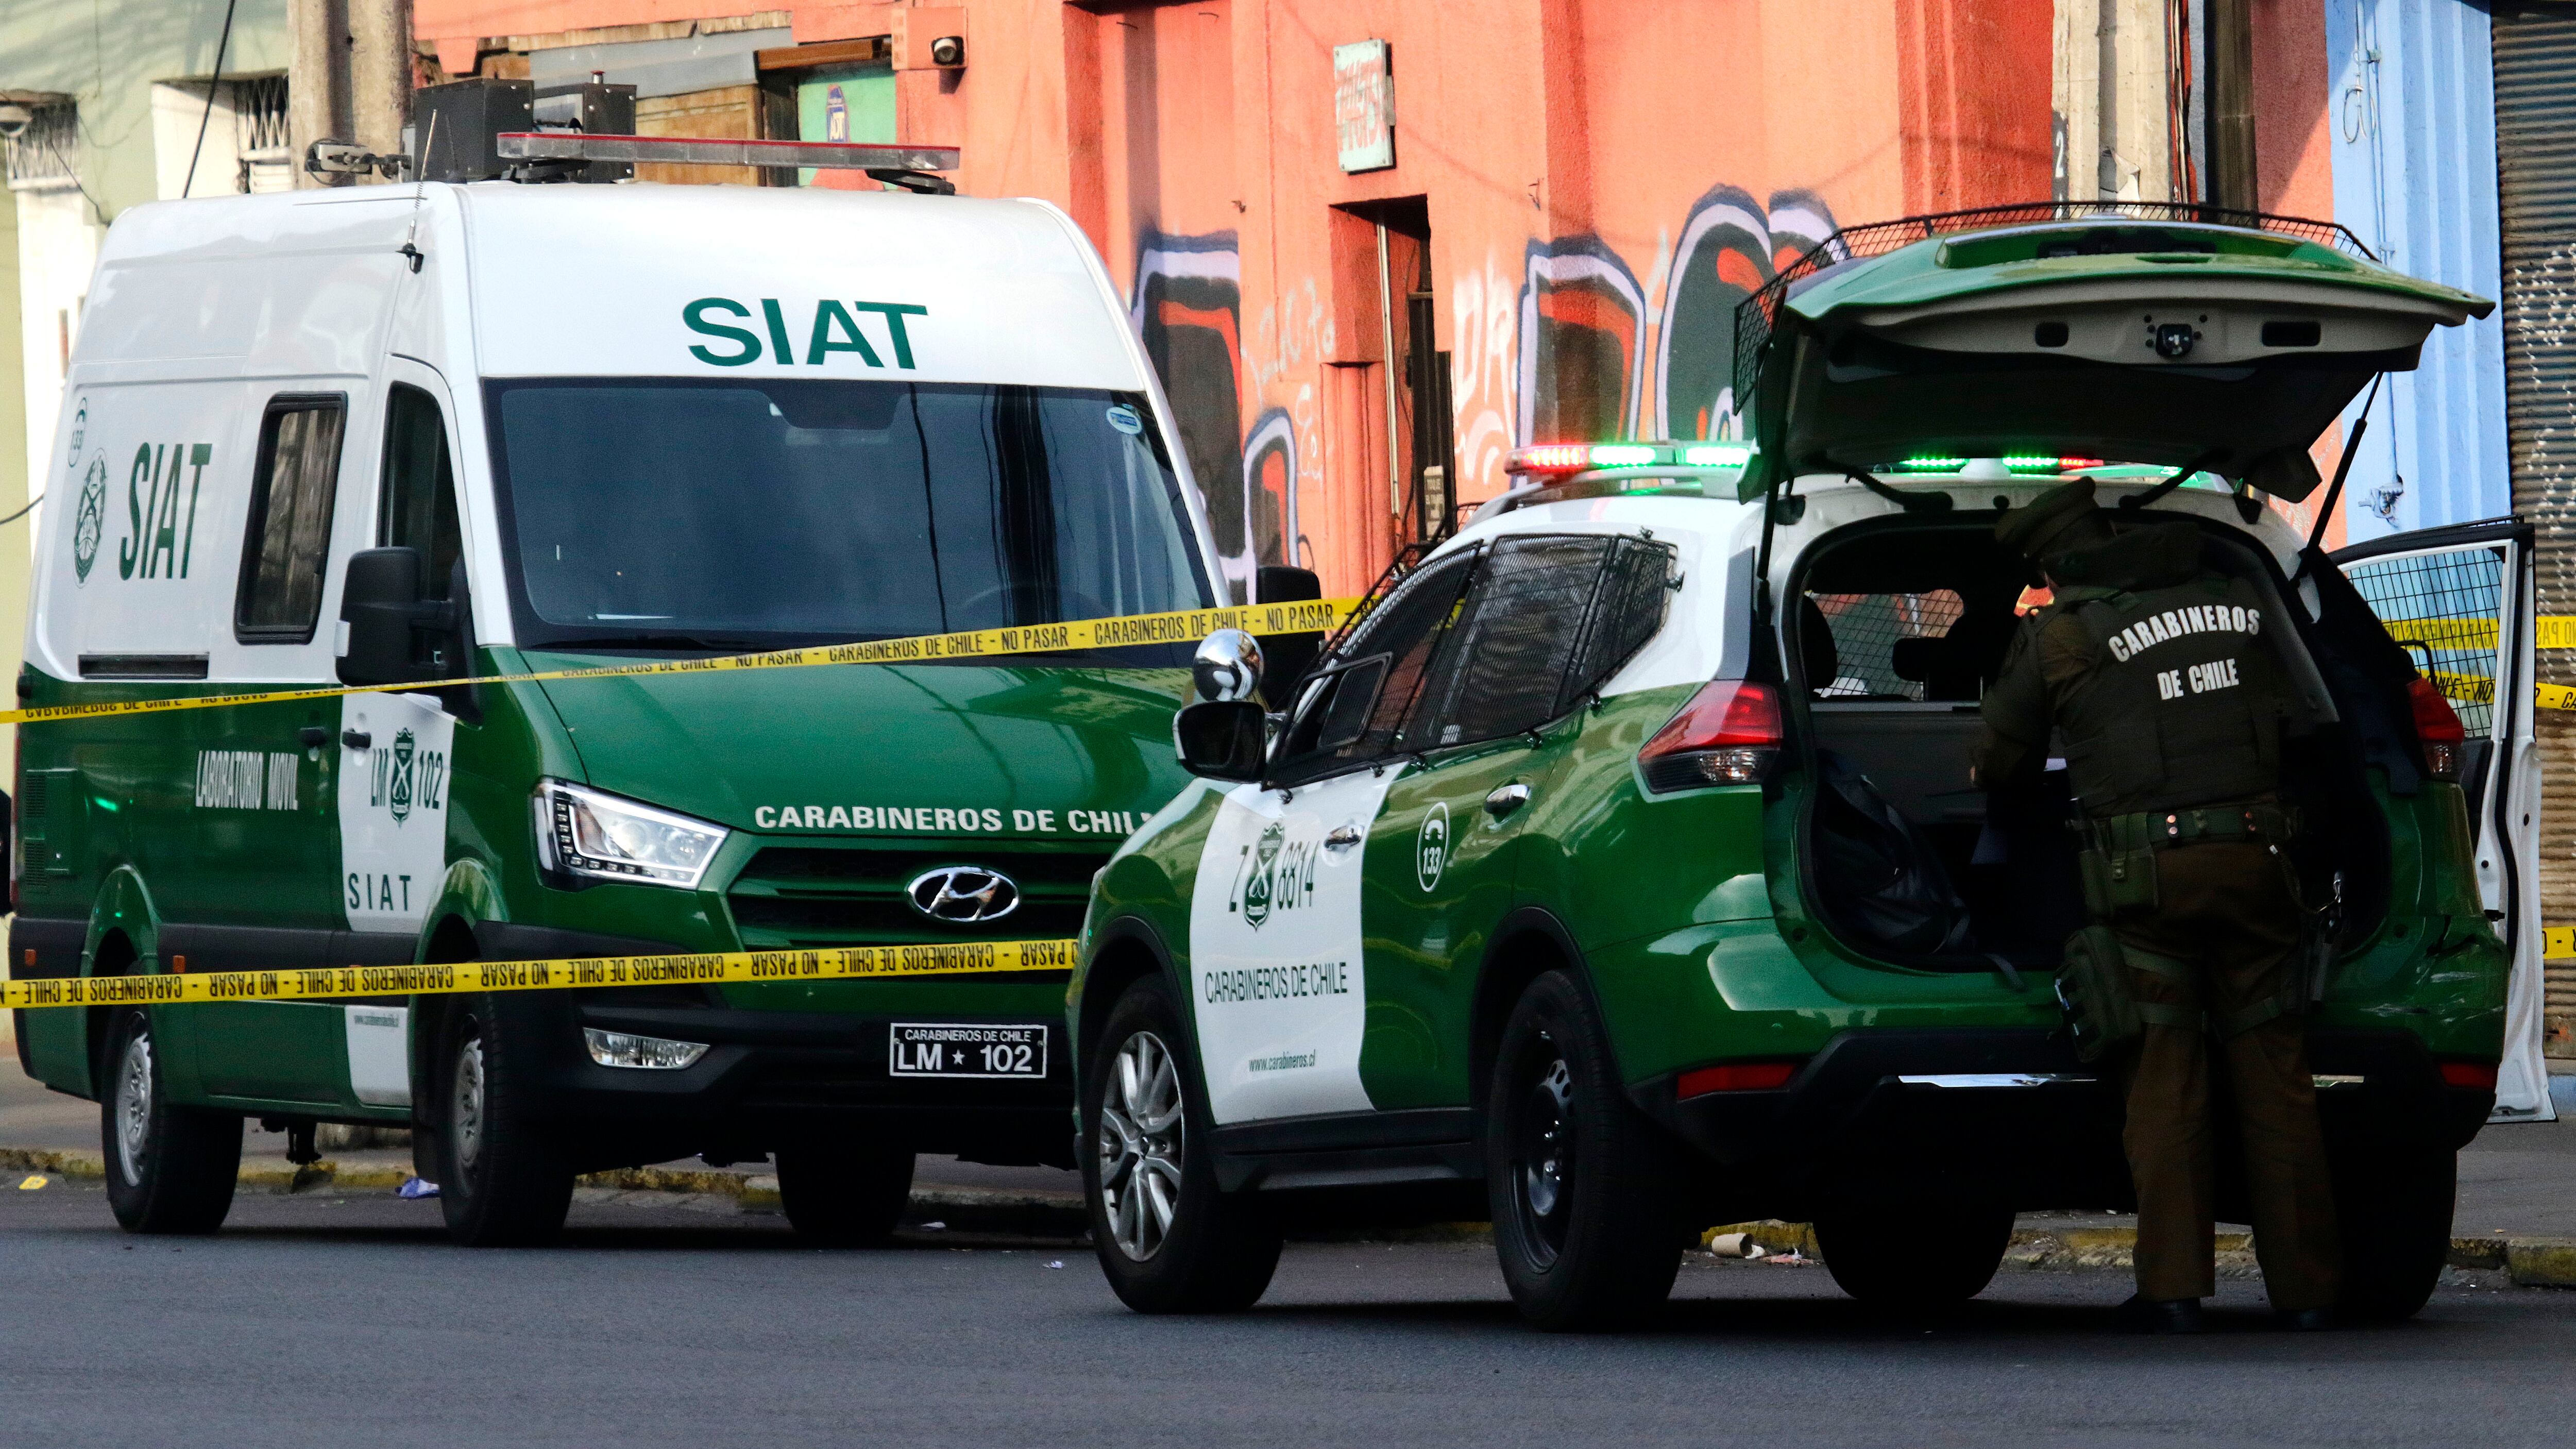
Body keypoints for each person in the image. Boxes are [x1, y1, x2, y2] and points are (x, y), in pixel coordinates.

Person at [1971, 477, 2338, 1335]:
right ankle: (2311, 1293)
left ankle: (2174, 1291)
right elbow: (2304, 724)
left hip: (2150, 888)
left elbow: (2001, 766)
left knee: (2165, 1084)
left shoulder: (2061, 635)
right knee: (2277, 1081)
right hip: (2260, 869)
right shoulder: (2237, 599)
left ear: (2051, 567)